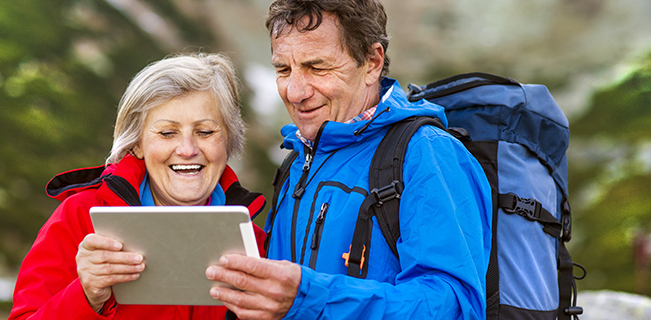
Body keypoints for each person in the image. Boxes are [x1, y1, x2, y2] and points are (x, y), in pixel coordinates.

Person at [205, 1, 492, 319]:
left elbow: (453, 306)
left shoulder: (427, 153)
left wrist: (310, 298)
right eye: (283, 70)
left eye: (317, 67)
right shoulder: (297, 162)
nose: (295, 91)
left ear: (371, 62)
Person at [9, 53, 268, 320]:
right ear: (136, 144)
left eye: (205, 132)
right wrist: (86, 296)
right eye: (167, 133)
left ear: (228, 141)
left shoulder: (256, 244)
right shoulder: (79, 216)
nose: (188, 150)